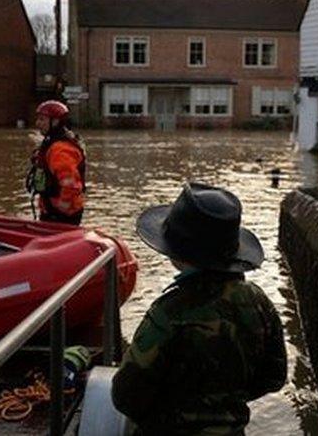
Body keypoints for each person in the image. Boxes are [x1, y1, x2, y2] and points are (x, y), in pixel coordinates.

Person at [112, 182, 287, 435]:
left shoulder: (169, 313)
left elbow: (125, 395)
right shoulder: (259, 303)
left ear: (179, 254)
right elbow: (274, 376)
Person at [26, 100, 86, 225]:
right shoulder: (52, 143)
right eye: (38, 119)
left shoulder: (60, 150)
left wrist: (61, 208)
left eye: (42, 120)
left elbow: (70, 184)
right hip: (52, 209)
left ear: (55, 122)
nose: (38, 123)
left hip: (61, 214)